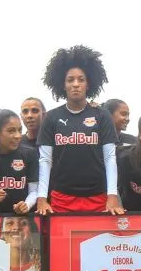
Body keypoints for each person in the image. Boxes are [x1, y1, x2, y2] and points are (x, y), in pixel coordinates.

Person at [35, 45, 123, 215]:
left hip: (98, 198)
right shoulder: (52, 117)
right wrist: (42, 198)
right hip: (61, 199)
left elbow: (110, 158)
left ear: (88, 83)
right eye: (70, 80)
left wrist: (112, 196)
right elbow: (45, 161)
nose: (76, 84)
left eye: (81, 79)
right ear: (63, 84)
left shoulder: (102, 115)